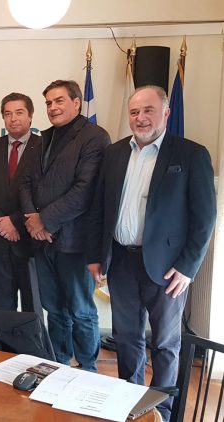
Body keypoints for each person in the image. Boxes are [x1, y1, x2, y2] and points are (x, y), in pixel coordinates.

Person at [87, 85, 215, 420]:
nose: (140, 118)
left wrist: (187, 267)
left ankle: (162, 412)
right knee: (126, 338)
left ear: (166, 113)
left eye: (148, 110)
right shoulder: (114, 154)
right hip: (121, 261)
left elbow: (204, 218)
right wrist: (96, 256)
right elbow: (100, 209)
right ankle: (130, 407)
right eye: (134, 112)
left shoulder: (191, 154)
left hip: (169, 268)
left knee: (165, 344)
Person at [19, 80, 109, 371]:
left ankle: (88, 369)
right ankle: (58, 365)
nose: (53, 107)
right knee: (54, 310)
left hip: (75, 242)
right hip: (42, 242)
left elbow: (85, 190)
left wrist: (44, 220)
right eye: (48, 103)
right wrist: (33, 219)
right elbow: (25, 183)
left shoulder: (94, 137)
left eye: (59, 101)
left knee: (81, 311)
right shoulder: (41, 139)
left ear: (76, 102)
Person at [0, 93, 41, 312]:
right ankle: (4, 338)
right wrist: (2, 223)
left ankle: (32, 338)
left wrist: (15, 221)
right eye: (8, 114)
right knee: (2, 306)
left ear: (30, 116)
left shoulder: (44, 147)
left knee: (33, 305)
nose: (13, 119)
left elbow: (43, 193)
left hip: (29, 238)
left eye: (19, 112)